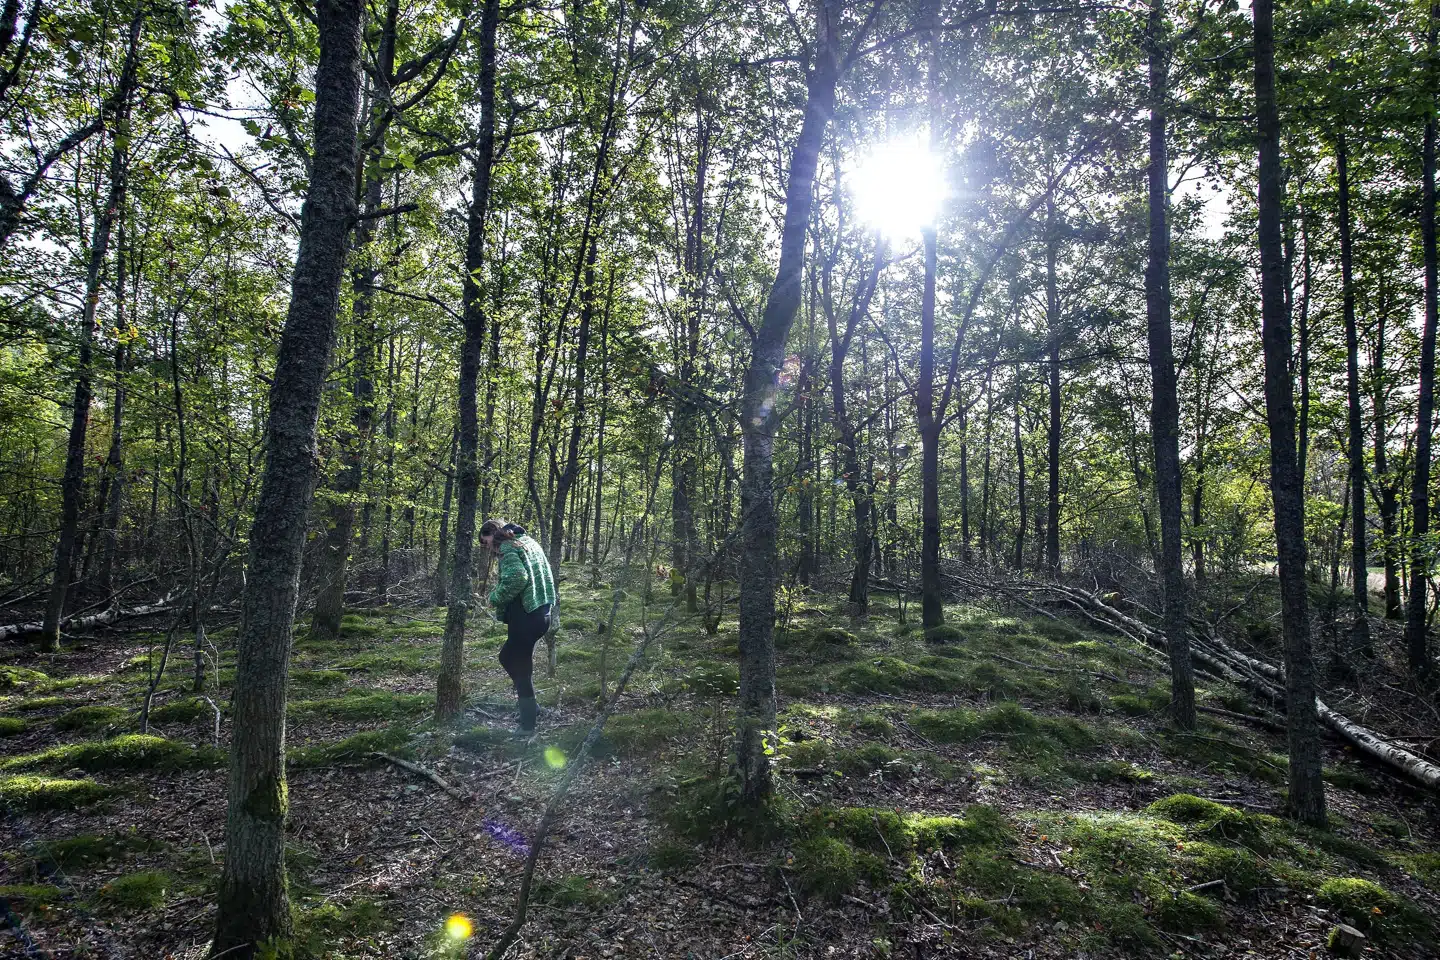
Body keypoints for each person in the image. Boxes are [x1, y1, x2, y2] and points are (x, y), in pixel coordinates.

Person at [481, 518, 556, 735]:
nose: (488, 549)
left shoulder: (507, 547)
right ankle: (531, 708)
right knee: (515, 661)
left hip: (527, 617)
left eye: (485, 543)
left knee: (512, 661)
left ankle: (527, 726)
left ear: (492, 534)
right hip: (542, 613)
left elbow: (517, 578)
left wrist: (494, 597)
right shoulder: (526, 541)